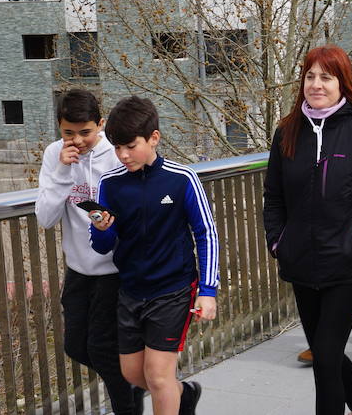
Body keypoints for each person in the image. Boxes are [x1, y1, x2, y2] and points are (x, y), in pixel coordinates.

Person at [263, 45, 352, 415]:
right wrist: (278, 241)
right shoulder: (287, 132)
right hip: (301, 263)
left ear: (342, 83)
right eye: (310, 75)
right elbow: (273, 195)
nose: (316, 84)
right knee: (329, 352)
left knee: (324, 360)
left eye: (326, 76)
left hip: (347, 263)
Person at [89, 96, 220, 415]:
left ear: (154, 138)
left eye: (130, 146)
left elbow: (207, 234)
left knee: (159, 378)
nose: (122, 155)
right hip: (131, 291)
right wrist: (104, 229)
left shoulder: (182, 179)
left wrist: (208, 291)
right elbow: (101, 245)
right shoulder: (109, 184)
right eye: (116, 147)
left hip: (173, 290)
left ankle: (173, 394)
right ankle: (183, 395)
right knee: (133, 373)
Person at [35, 89, 142, 415]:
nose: (77, 140)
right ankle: (140, 384)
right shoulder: (56, 154)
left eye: (86, 132)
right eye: (69, 132)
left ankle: (131, 403)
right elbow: (46, 217)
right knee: (76, 346)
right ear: (59, 127)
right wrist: (63, 172)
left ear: (101, 124)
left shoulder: (118, 153)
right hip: (79, 270)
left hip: (116, 270)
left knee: (103, 349)